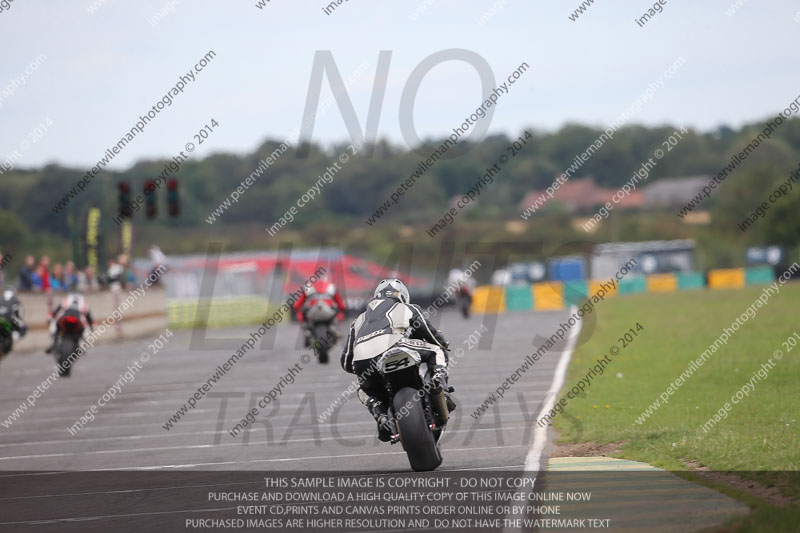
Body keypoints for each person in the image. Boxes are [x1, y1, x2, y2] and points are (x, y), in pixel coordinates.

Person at [340, 279, 455, 441]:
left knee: (363, 389)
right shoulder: (407, 308)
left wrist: (365, 366)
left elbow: (346, 362)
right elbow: (430, 333)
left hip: (362, 359)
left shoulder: (357, 321)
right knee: (436, 350)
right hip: (395, 346)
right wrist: (442, 343)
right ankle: (440, 385)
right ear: (402, 295)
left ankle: (380, 414)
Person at [293, 276, 346, 347]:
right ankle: (335, 329)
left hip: (312, 314)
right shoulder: (332, 287)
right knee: (337, 311)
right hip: (329, 313)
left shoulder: (308, 287)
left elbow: (297, 305)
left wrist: (301, 315)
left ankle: (307, 331)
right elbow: (342, 306)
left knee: (303, 311)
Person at [0, 288, 28, 353]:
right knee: (24, 328)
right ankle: (15, 335)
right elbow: (20, 314)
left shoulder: (1, 298)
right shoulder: (16, 300)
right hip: (9, 322)